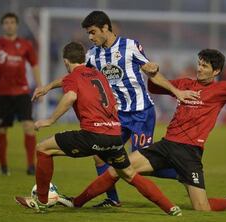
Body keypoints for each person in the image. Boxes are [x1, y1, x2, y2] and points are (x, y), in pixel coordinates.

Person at [57, 49, 226, 212]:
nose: (200, 69)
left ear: (216, 71)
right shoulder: (186, 83)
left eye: (205, 66)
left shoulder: (223, 89)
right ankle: (76, 203)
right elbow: (155, 89)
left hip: (189, 153)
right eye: (199, 64)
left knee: (202, 209)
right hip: (166, 145)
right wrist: (152, 75)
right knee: (118, 169)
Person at [14, 41, 182, 216]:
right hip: (114, 135)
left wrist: (49, 120)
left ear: (66, 62)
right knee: (129, 173)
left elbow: (70, 96)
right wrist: (48, 87)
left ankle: (41, 201)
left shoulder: (73, 77)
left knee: (43, 149)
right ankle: (170, 207)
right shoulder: (98, 75)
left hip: (92, 135)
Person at [81, 10, 198, 207]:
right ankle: (112, 200)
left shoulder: (130, 46)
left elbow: (151, 72)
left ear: (105, 28)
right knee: (100, 155)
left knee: (142, 165)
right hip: (117, 116)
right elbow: (78, 76)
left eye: (93, 32)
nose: (90, 37)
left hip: (141, 114)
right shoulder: (92, 55)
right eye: (88, 34)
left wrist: (176, 91)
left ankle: (183, 174)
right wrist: (50, 87)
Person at [0, 12, 42, 175]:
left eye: (12, 22)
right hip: (2, 93)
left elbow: (35, 65)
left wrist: (40, 86)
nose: (9, 25)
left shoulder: (25, 45)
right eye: (6, 22)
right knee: (1, 130)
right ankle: (3, 167)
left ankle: (31, 166)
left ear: (16, 25)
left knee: (29, 126)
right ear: (3, 25)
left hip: (22, 92)